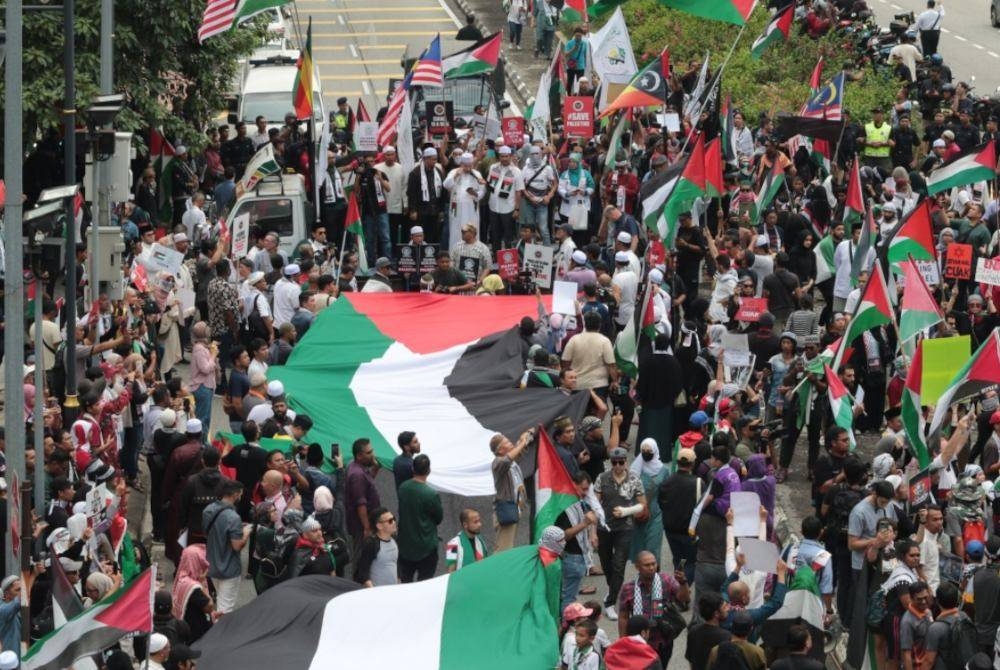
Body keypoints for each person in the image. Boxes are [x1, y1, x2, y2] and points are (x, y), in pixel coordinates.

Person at [595, 446, 647, 621]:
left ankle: (610, 602)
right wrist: (591, 532)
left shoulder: (634, 479)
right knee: (606, 562)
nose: (618, 466)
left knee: (619, 564)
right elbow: (595, 503)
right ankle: (613, 588)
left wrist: (626, 511)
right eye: (614, 462)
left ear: (626, 462)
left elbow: (642, 505)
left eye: (621, 462)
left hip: (624, 527)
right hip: (604, 527)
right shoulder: (602, 478)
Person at [617, 551, 690, 666]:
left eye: (653, 564)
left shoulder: (666, 580)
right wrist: (623, 641)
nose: (651, 568)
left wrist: (683, 582)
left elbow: (684, 599)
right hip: (638, 642)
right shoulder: (628, 588)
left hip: (662, 641)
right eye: (647, 565)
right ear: (637, 567)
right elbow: (623, 616)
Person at [203, 478, 251, 613]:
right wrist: (245, 533)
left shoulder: (208, 510)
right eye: (240, 494)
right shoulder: (233, 517)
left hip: (212, 565)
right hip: (229, 568)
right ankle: (220, 632)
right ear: (235, 494)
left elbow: (211, 533)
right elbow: (237, 546)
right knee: (225, 609)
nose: (241, 496)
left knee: (220, 600)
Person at [555, 471, 599, 612]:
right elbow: (564, 535)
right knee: (568, 599)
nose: (586, 493)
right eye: (583, 489)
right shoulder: (564, 507)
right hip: (571, 557)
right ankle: (565, 628)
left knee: (568, 596)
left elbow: (590, 516)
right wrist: (585, 524)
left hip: (579, 557)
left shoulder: (580, 503)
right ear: (573, 485)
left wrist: (592, 533)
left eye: (588, 489)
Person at [396, 454, 443, 582]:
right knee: (425, 582)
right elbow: (439, 518)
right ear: (428, 471)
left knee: (406, 582)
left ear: (412, 469)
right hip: (426, 545)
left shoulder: (403, 488)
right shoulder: (431, 494)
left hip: (406, 545)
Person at [490, 429, 533, 552]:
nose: (511, 443)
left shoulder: (511, 462)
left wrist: (526, 436)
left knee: (508, 545)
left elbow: (518, 451)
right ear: (500, 450)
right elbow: (509, 458)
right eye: (507, 442)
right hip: (506, 509)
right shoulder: (498, 463)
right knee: (503, 548)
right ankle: (499, 570)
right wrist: (522, 442)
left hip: (514, 508)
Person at [345, 438, 381, 544]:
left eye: (372, 451)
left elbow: (368, 481)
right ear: (359, 456)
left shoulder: (356, 466)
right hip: (361, 526)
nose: (373, 455)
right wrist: (367, 528)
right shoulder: (357, 475)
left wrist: (376, 467)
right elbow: (361, 504)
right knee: (362, 555)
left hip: (363, 523)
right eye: (369, 452)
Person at [354, 507, 399, 587]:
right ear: (379, 526)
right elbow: (362, 571)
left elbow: (396, 563)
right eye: (390, 521)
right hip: (378, 593)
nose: (394, 522)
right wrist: (373, 591)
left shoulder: (394, 540)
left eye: (394, 519)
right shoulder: (371, 544)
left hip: (393, 591)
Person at [686, 592, 732, 670]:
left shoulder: (693, 631)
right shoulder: (726, 637)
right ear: (716, 614)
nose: (728, 608)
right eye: (724, 607)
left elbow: (691, 661)